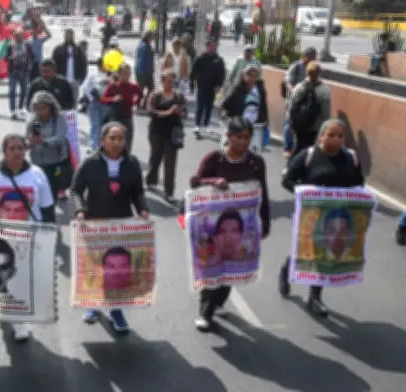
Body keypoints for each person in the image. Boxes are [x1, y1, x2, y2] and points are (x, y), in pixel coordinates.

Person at [189, 117, 270, 331]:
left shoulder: (256, 162)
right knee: (212, 268)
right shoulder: (215, 159)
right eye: (238, 137)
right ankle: (204, 312)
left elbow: (264, 193)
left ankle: (218, 304)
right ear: (228, 136)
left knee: (231, 267)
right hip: (213, 226)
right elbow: (194, 181)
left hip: (240, 227)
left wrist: (265, 223)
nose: (243, 142)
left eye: (247, 137)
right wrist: (213, 181)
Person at [0, 133, 55, 341]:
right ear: (4, 151)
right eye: (12, 148)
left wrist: (50, 237)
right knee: (5, 280)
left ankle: (16, 318)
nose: (17, 152)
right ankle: (13, 316)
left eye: (20, 148)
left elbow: (47, 207)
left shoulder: (37, 175)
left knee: (22, 279)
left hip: (28, 237)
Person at [70, 122, 150, 331]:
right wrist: (80, 210)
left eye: (120, 139)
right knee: (96, 267)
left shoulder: (132, 164)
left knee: (117, 271)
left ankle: (116, 310)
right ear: (103, 140)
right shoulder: (89, 164)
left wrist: (142, 209)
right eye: (112, 138)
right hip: (95, 224)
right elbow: (76, 191)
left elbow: (138, 192)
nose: (116, 143)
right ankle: (93, 306)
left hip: (121, 225)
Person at [280, 119, 364, 316]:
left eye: (340, 136)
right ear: (322, 136)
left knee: (325, 253)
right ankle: (286, 270)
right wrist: (305, 194)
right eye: (331, 135)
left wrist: (355, 199)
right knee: (307, 250)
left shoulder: (351, 158)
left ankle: (314, 297)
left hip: (337, 215)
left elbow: (359, 183)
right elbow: (287, 180)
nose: (336, 139)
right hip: (311, 212)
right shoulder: (308, 156)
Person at [146, 69, 187, 204]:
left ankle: (169, 192)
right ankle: (151, 180)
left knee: (170, 163)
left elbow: (184, 112)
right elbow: (151, 111)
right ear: (162, 81)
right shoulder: (155, 95)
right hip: (157, 131)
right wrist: (168, 112)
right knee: (155, 157)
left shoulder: (179, 96)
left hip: (173, 133)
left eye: (173, 81)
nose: (171, 83)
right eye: (168, 81)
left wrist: (180, 113)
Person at [25, 91, 69, 205]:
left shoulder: (58, 118)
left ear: (50, 107)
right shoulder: (33, 121)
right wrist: (29, 142)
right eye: (37, 109)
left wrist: (44, 141)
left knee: (51, 191)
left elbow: (61, 137)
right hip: (37, 161)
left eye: (43, 108)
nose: (40, 112)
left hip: (54, 161)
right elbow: (27, 137)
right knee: (38, 191)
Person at [220, 64, 269, 153]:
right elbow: (224, 105)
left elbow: (263, 107)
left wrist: (266, 121)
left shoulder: (260, 91)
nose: (252, 78)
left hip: (254, 127)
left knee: (252, 154)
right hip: (238, 126)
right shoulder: (237, 89)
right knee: (232, 152)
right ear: (243, 75)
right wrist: (224, 114)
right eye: (249, 75)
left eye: (254, 76)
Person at [288, 62, 330, 158]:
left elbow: (291, 106)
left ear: (306, 72)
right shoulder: (324, 90)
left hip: (299, 124)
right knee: (309, 150)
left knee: (298, 145)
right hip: (314, 126)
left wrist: (292, 122)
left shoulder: (299, 87)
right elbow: (326, 113)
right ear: (319, 73)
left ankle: (291, 167)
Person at [283, 47, 318, 157]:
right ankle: (288, 147)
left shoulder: (313, 68)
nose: (312, 59)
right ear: (305, 56)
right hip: (294, 100)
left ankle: (302, 147)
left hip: (307, 102)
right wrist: (295, 92)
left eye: (314, 57)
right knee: (289, 123)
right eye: (310, 57)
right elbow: (288, 81)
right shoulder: (296, 66)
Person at [101, 64, 142, 153]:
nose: (127, 76)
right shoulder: (113, 86)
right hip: (115, 119)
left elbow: (140, 95)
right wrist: (113, 99)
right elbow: (103, 99)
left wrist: (136, 103)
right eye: (124, 73)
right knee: (114, 143)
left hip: (127, 118)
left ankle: (125, 163)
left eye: (128, 73)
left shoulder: (133, 86)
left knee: (127, 143)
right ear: (119, 74)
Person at [190, 39, 226, 139]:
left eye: (215, 46)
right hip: (201, 87)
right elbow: (193, 72)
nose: (214, 48)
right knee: (200, 106)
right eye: (212, 46)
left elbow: (222, 74)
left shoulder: (219, 60)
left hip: (213, 88)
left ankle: (206, 125)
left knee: (209, 107)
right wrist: (192, 85)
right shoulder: (200, 58)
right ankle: (197, 125)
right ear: (207, 47)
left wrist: (219, 85)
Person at [79, 57, 110, 152]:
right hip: (95, 104)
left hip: (107, 104)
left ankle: (104, 146)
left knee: (105, 126)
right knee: (95, 125)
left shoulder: (112, 75)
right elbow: (85, 87)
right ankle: (93, 147)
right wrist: (92, 98)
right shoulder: (93, 75)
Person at [51, 29, 88, 100]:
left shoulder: (79, 50)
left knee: (73, 103)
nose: (69, 37)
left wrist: (80, 80)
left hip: (75, 81)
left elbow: (84, 66)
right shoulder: (58, 49)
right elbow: (53, 65)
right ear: (64, 36)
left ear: (73, 36)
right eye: (67, 35)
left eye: (70, 35)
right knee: (61, 101)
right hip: (61, 81)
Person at [6, 28, 33, 120]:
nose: (18, 37)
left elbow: (31, 56)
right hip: (13, 70)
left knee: (24, 90)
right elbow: (6, 58)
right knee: (12, 91)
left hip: (24, 71)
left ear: (22, 35)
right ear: (14, 36)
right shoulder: (10, 45)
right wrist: (11, 58)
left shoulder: (27, 45)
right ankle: (13, 110)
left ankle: (21, 107)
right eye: (16, 36)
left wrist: (29, 66)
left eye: (19, 35)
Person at [134, 31, 155, 106]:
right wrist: (149, 71)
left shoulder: (141, 45)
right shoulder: (145, 46)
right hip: (145, 71)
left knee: (142, 89)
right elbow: (144, 60)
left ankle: (140, 104)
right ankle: (143, 103)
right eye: (152, 37)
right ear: (148, 37)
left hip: (141, 71)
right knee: (150, 88)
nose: (152, 39)